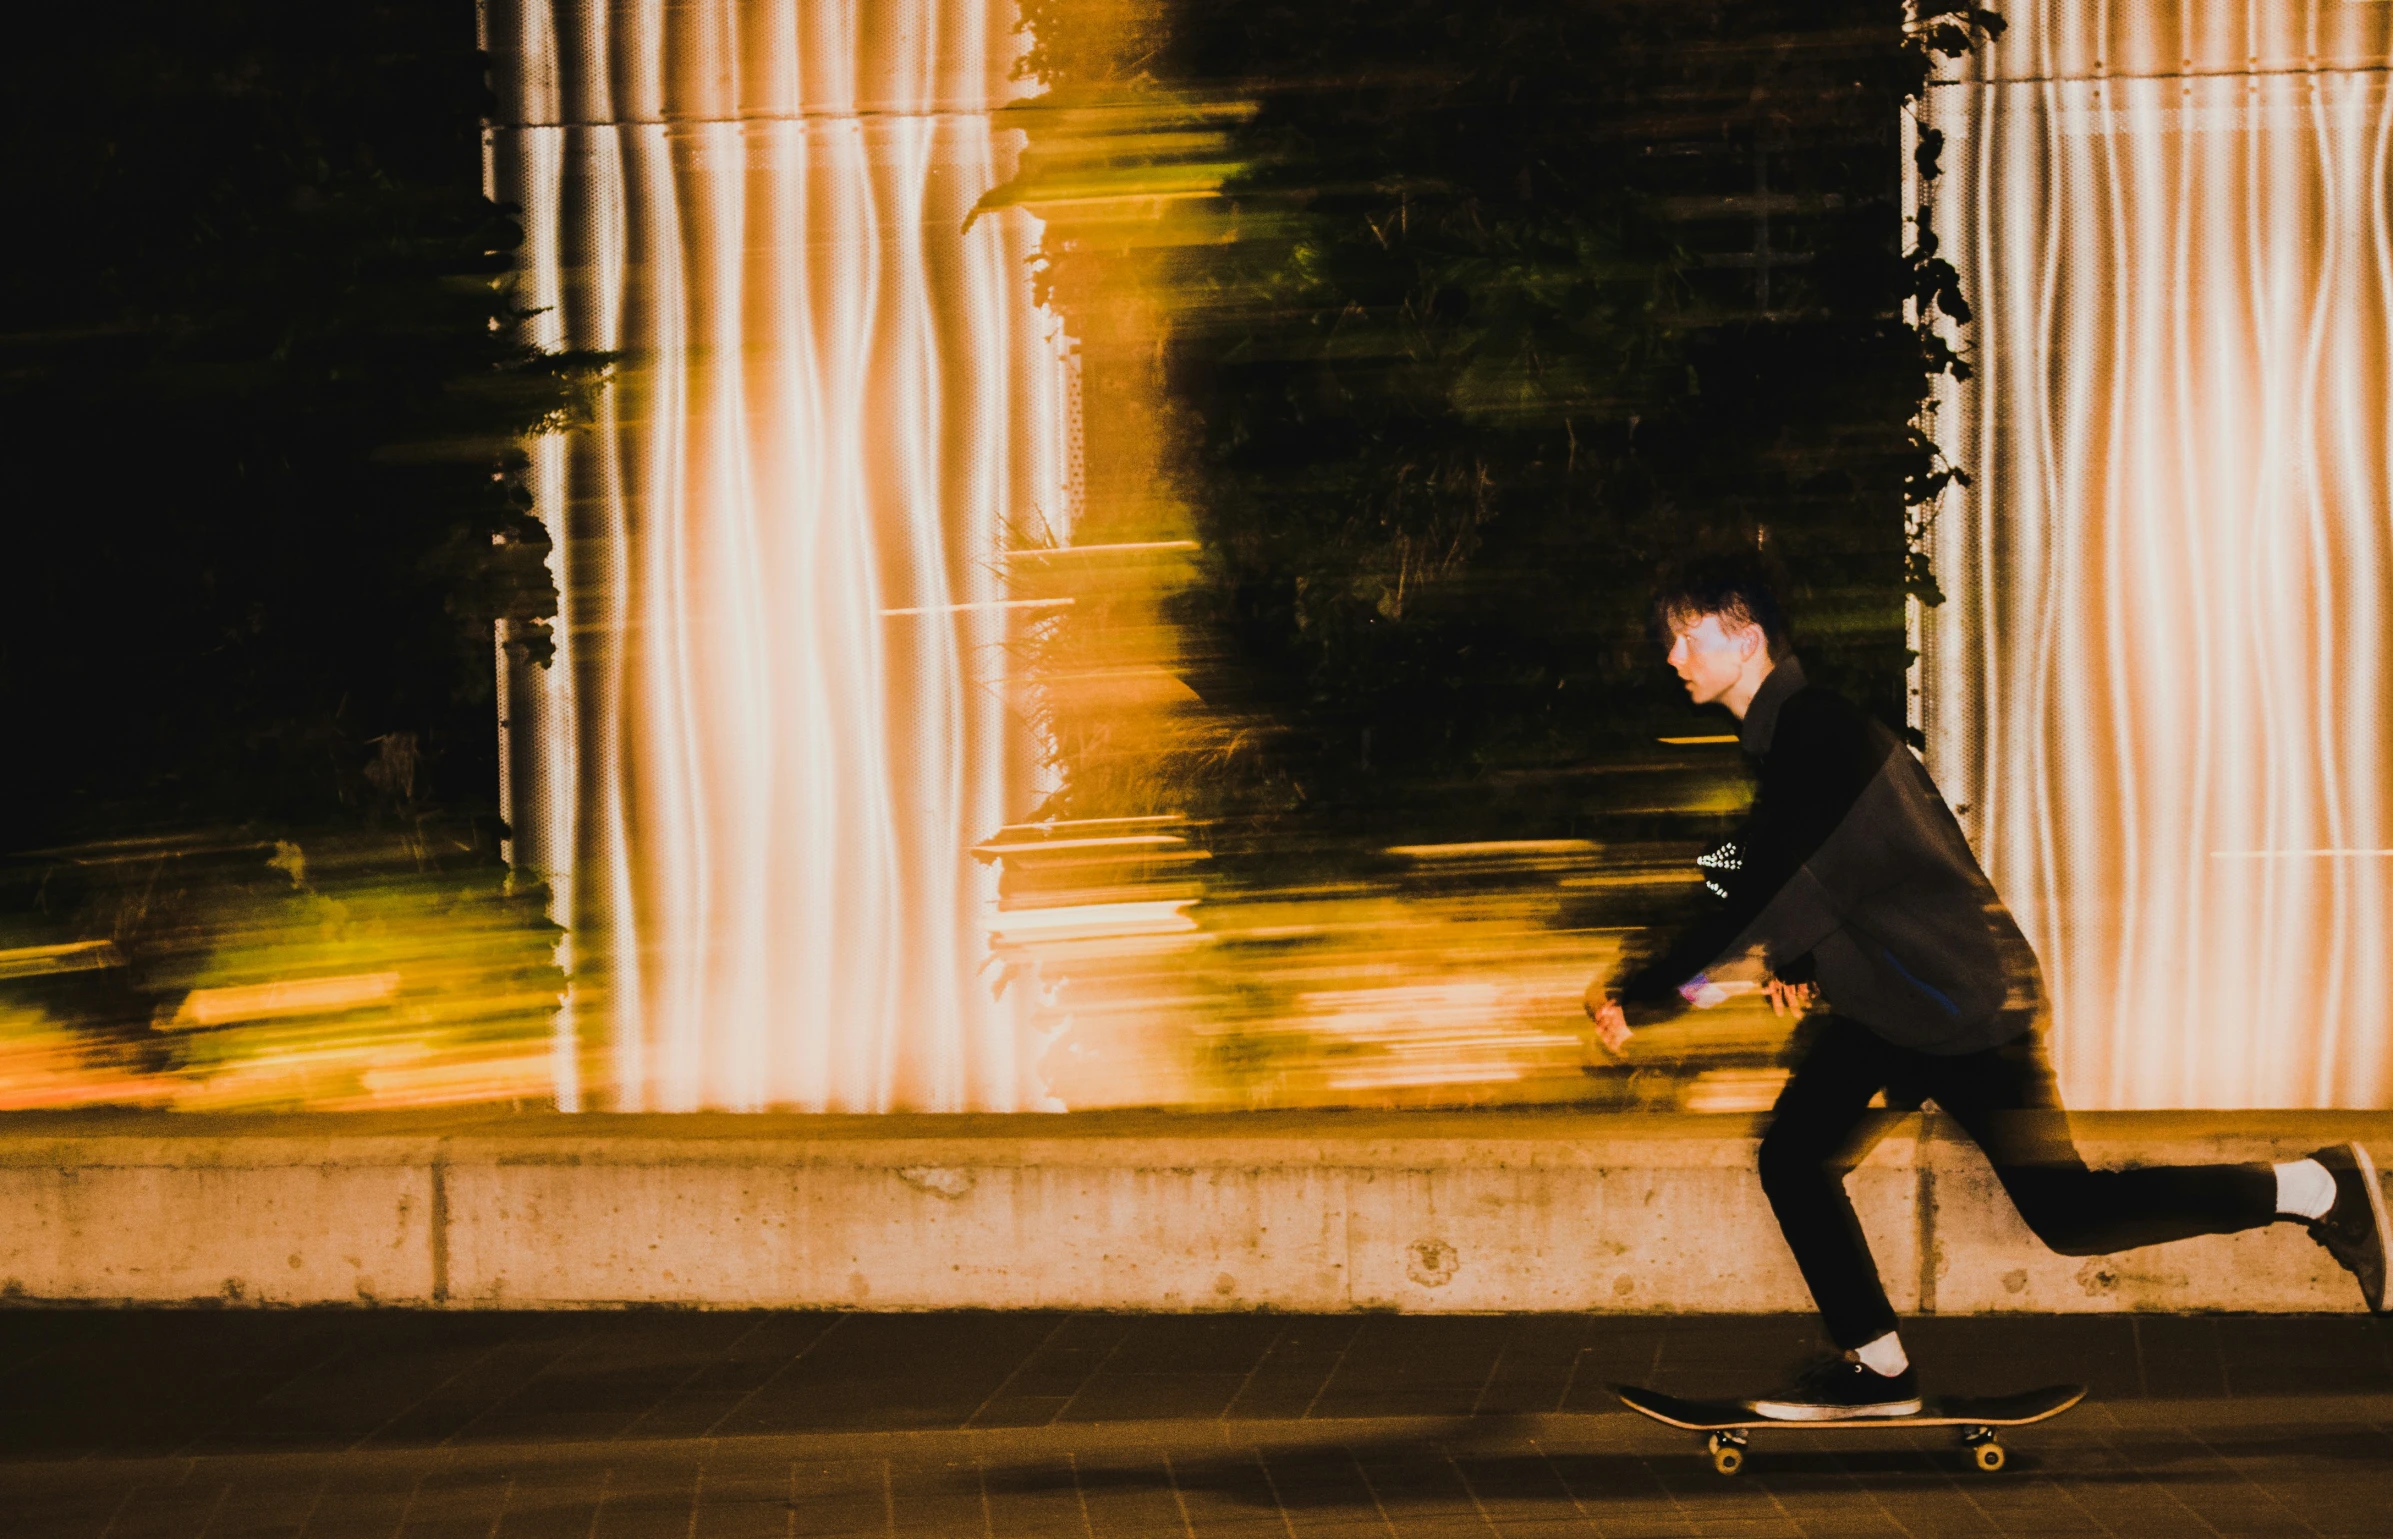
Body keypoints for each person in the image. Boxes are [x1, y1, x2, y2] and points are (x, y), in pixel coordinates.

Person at [1584, 554, 2391, 1420]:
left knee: (2069, 1216)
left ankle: (2316, 1186)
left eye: (1684, 634)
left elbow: (1771, 885)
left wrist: (1651, 991)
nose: (1672, 654)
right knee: (1793, 1156)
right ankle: (1879, 1370)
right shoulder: (1794, 742)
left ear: (1743, 640)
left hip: (1968, 1009)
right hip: (1893, 1013)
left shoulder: (1817, 732)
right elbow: (1800, 870)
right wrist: (1797, 960)